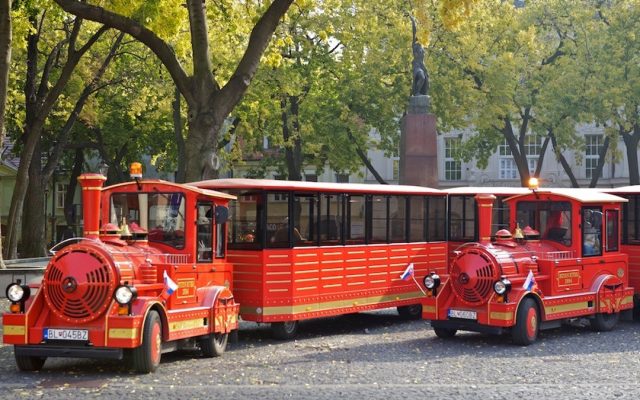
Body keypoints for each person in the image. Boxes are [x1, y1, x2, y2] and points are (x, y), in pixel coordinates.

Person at [410, 15, 429, 96]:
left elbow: (422, 60)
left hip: (421, 66)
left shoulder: (422, 47)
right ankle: (416, 93)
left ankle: (420, 93)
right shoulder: (415, 45)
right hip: (416, 67)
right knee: (421, 77)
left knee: (426, 81)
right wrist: (413, 22)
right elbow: (414, 31)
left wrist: (425, 69)